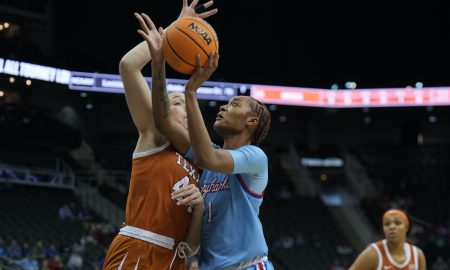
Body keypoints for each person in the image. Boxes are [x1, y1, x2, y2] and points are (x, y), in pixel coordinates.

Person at [135, 11, 273, 270]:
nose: (223, 107)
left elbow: (207, 157)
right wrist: (158, 61)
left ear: (251, 122)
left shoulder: (255, 157)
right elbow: (164, 122)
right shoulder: (208, 160)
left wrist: (191, 90)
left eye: (234, 104)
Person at [102, 1, 218, 270]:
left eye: (184, 101)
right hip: (139, 250)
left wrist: (200, 209)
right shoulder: (154, 137)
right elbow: (128, 66)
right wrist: (175, 30)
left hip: (175, 260)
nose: (183, 106)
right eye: (174, 101)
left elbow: (192, 247)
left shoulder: (203, 163)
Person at [349, 208, 427, 270]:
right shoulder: (373, 253)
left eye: (397, 223)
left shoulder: (417, 255)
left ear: (406, 227)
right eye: (387, 224)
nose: (392, 227)